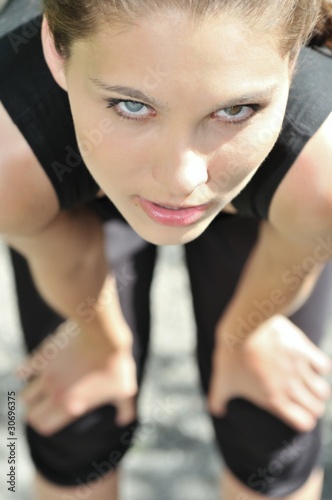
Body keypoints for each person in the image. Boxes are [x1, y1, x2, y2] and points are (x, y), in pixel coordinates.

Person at [0, 0, 332, 498]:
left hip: (292, 187)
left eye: (234, 110)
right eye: (132, 105)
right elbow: (65, 252)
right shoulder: (9, 170)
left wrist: (248, 332)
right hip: (51, 163)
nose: (182, 181)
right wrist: (99, 343)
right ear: (56, 49)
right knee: (79, 421)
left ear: (293, 61)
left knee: (269, 424)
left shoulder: (322, 181)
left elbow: (303, 239)